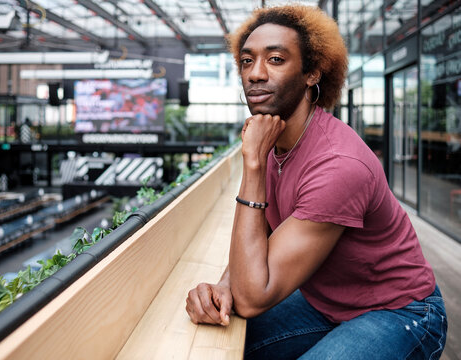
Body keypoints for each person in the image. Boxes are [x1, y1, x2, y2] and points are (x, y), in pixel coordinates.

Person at [185, 5, 447, 359]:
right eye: (247, 61)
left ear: (312, 73)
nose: (256, 74)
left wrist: (252, 166)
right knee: (214, 344)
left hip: (400, 311)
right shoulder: (271, 138)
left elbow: (253, 296)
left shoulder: (338, 164)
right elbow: (259, 236)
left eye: (275, 59)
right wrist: (224, 286)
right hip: (325, 301)